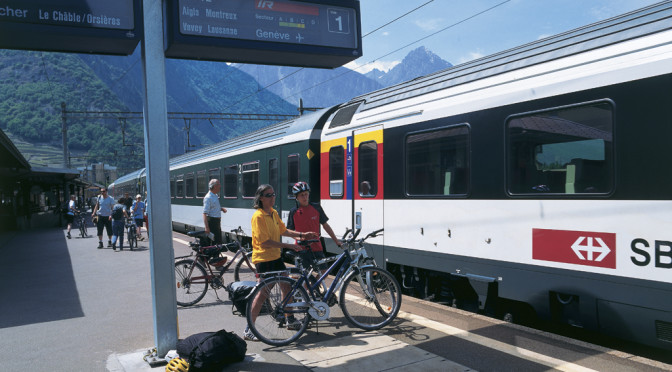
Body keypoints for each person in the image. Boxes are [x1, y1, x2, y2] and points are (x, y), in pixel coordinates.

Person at [244, 184, 318, 341]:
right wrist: (288, 245)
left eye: (273, 194)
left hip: (275, 257)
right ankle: (249, 329)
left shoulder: (273, 213)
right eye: (269, 195)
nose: (273, 197)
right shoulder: (258, 216)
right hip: (263, 259)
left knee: (286, 285)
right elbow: (264, 242)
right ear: (261, 198)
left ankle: (289, 319)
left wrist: (302, 235)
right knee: (263, 293)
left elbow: (283, 231)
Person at [287, 181, 342, 273]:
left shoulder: (316, 208)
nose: (305, 197)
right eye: (301, 195)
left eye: (306, 194)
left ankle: (311, 287)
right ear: (296, 197)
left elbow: (326, 226)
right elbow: (289, 231)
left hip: (317, 246)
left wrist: (336, 241)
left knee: (324, 271)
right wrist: (300, 238)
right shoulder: (293, 211)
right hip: (302, 248)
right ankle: (306, 287)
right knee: (305, 274)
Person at [202, 179, 227, 245]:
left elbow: (213, 208)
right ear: (215, 186)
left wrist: (221, 209)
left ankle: (216, 255)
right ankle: (213, 255)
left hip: (217, 222)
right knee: (213, 244)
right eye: (219, 184)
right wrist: (207, 227)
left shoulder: (215, 196)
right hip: (212, 222)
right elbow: (204, 213)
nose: (220, 186)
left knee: (218, 243)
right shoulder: (208, 197)